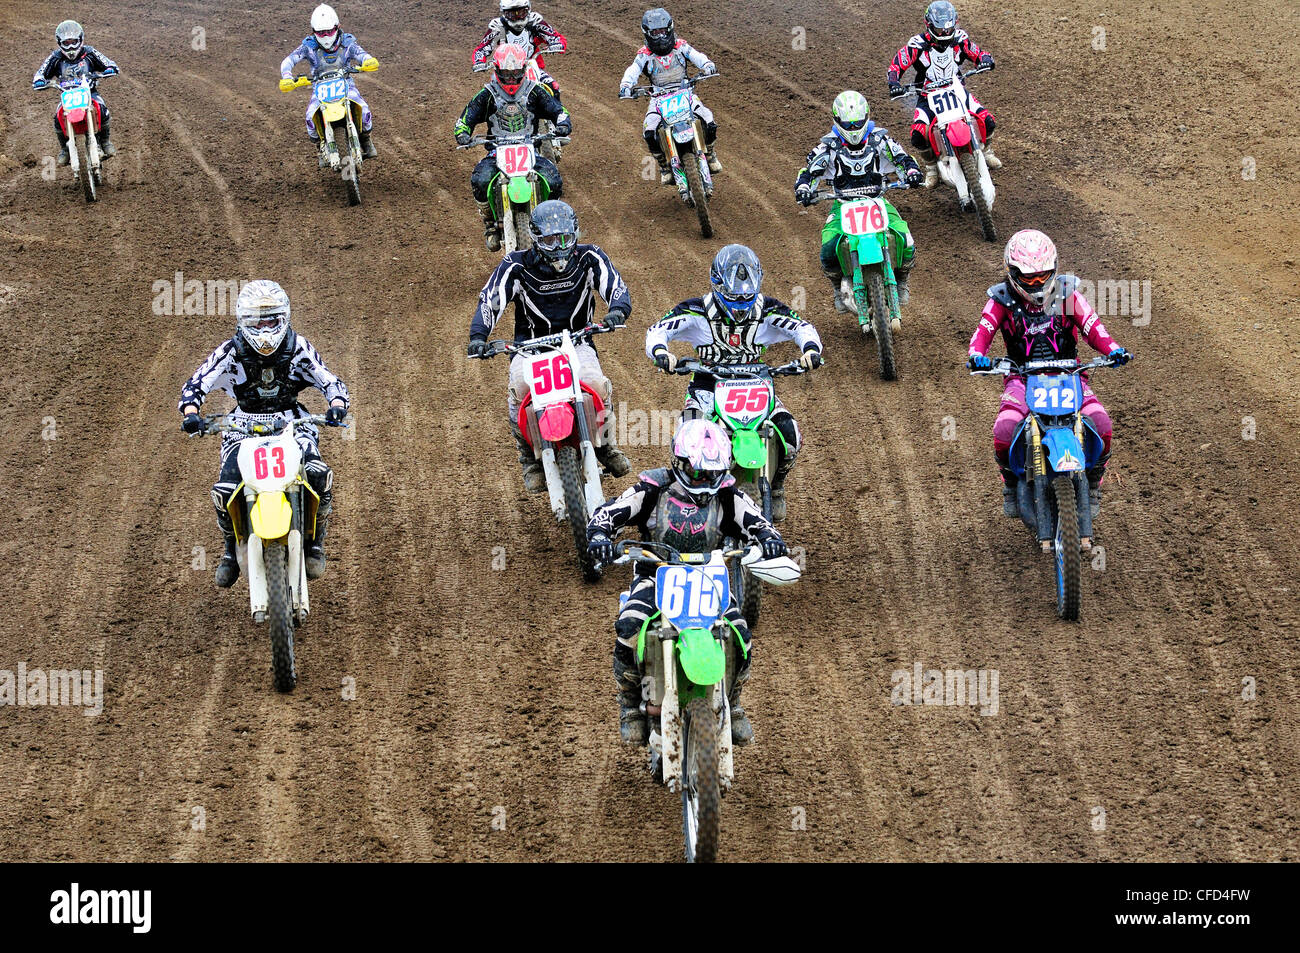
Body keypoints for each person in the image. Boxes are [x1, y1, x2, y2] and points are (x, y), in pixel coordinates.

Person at [587, 419, 789, 746]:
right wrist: (600, 534)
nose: (707, 479)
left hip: (709, 578)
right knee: (629, 626)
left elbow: (757, 520)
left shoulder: (727, 495)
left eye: (714, 472)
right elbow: (611, 511)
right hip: (656, 573)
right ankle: (630, 704)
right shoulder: (653, 488)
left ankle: (733, 703)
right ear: (679, 463)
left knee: (740, 634)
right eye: (699, 472)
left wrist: (769, 538)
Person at [179, 281, 350, 587]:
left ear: (284, 318)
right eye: (257, 322)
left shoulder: (297, 346)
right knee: (224, 490)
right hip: (241, 425)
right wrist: (192, 413)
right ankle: (230, 551)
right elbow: (197, 382)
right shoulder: (231, 350)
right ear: (243, 321)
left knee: (318, 476)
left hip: (292, 422)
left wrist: (336, 405)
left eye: (271, 320)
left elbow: (330, 380)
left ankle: (315, 543)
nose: (265, 328)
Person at [645, 245, 822, 522]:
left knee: (790, 435)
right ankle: (683, 496)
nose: (740, 304)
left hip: (756, 385)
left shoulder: (767, 309)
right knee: (685, 438)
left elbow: (801, 327)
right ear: (717, 285)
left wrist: (810, 350)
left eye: (746, 297)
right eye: (733, 297)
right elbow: (658, 330)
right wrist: (661, 352)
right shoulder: (697, 310)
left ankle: (776, 485)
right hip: (706, 386)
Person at [966, 229, 1132, 518]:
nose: (1036, 283)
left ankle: (1092, 482)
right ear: (1012, 273)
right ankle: (1009, 483)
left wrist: (1113, 349)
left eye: (1042, 276)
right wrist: (977, 357)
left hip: (1071, 375)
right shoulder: (1001, 299)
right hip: (1021, 377)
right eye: (1028, 278)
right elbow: (982, 332)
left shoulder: (1068, 294)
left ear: (1054, 269)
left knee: (1102, 423)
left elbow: (1094, 327)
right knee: (1005, 428)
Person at [467, 201, 632, 490]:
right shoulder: (516, 266)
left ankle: (606, 446)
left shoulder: (589, 257)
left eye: (565, 239)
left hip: (578, 341)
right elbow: (491, 301)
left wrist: (617, 309)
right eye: (549, 240)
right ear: (535, 238)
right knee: (519, 390)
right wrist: (479, 336)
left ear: (575, 235)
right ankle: (528, 459)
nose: (558, 247)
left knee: (597, 384)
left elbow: (614, 284)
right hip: (529, 348)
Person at [794, 91, 925, 314]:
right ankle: (838, 287)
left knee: (906, 238)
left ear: (866, 118)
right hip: (842, 204)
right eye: (848, 124)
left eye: (857, 123)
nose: (853, 128)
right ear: (837, 121)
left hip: (877, 201)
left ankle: (902, 279)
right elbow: (809, 171)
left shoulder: (879, 139)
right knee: (828, 247)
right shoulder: (828, 147)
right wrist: (804, 188)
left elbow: (902, 158)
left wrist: (912, 172)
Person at [456, 43, 570, 251]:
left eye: (515, 73)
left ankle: (552, 220)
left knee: (554, 180)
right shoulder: (487, 94)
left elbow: (558, 110)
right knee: (480, 180)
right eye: (506, 73)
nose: (511, 78)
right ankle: (490, 223)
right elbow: (466, 117)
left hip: (530, 150)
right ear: (497, 70)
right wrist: (462, 133)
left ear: (523, 70)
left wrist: (563, 124)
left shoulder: (535, 91)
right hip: (496, 152)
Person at [886, 0, 1000, 188]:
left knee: (987, 120)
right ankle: (931, 167)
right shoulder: (917, 45)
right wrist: (894, 82)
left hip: (956, 91)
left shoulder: (960, 39)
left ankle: (986, 152)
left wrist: (985, 59)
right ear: (929, 25)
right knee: (918, 135)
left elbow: (978, 52)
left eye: (948, 29)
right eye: (940, 30)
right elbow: (896, 65)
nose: (945, 33)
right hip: (928, 96)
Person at [618, 8, 720, 185]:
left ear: (670, 29)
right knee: (649, 131)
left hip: (685, 91)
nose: (660, 36)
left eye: (663, 31)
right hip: (658, 97)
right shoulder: (644, 55)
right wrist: (626, 86)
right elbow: (632, 70)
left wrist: (707, 65)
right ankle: (664, 164)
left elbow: (696, 56)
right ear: (648, 33)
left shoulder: (680, 46)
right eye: (655, 33)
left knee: (708, 119)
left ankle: (710, 153)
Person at [279, 3, 380, 166]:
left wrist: (368, 61)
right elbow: (288, 61)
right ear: (314, 32)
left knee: (364, 109)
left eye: (329, 31)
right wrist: (287, 76)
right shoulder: (308, 47)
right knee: (310, 116)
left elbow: (362, 55)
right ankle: (320, 146)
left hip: (345, 84)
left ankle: (365, 139)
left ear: (337, 27)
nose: (325, 36)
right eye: (320, 32)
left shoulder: (347, 44)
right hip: (319, 87)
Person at [32, 20, 119, 165]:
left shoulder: (89, 53)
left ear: (80, 40)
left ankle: (105, 141)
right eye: (66, 43)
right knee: (58, 117)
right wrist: (40, 80)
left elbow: (109, 63)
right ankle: (65, 149)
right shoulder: (56, 58)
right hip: (67, 97)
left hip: (90, 93)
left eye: (73, 42)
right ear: (60, 43)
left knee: (102, 109)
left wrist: (109, 68)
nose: (71, 46)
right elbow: (40, 73)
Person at [471, 0, 567, 101]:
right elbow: (482, 49)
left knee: (554, 88)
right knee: (488, 97)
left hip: (531, 66)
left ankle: (558, 115)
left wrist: (558, 44)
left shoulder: (534, 22)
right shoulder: (498, 27)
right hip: (504, 70)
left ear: (528, 9)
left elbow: (555, 37)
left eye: (521, 13)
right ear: (504, 13)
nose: (517, 17)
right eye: (512, 14)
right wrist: (479, 62)